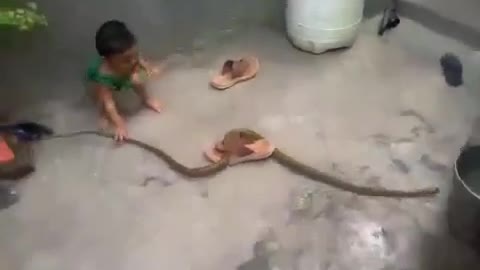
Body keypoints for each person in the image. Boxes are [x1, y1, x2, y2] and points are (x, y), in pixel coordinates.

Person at [85, 20, 162, 142]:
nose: (133, 61)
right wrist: (119, 124)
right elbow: (109, 103)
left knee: (137, 81)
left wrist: (149, 69)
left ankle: (146, 99)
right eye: (126, 60)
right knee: (102, 98)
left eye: (134, 55)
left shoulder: (131, 58)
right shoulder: (104, 75)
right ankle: (103, 114)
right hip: (109, 80)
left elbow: (140, 62)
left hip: (124, 75)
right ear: (108, 61)